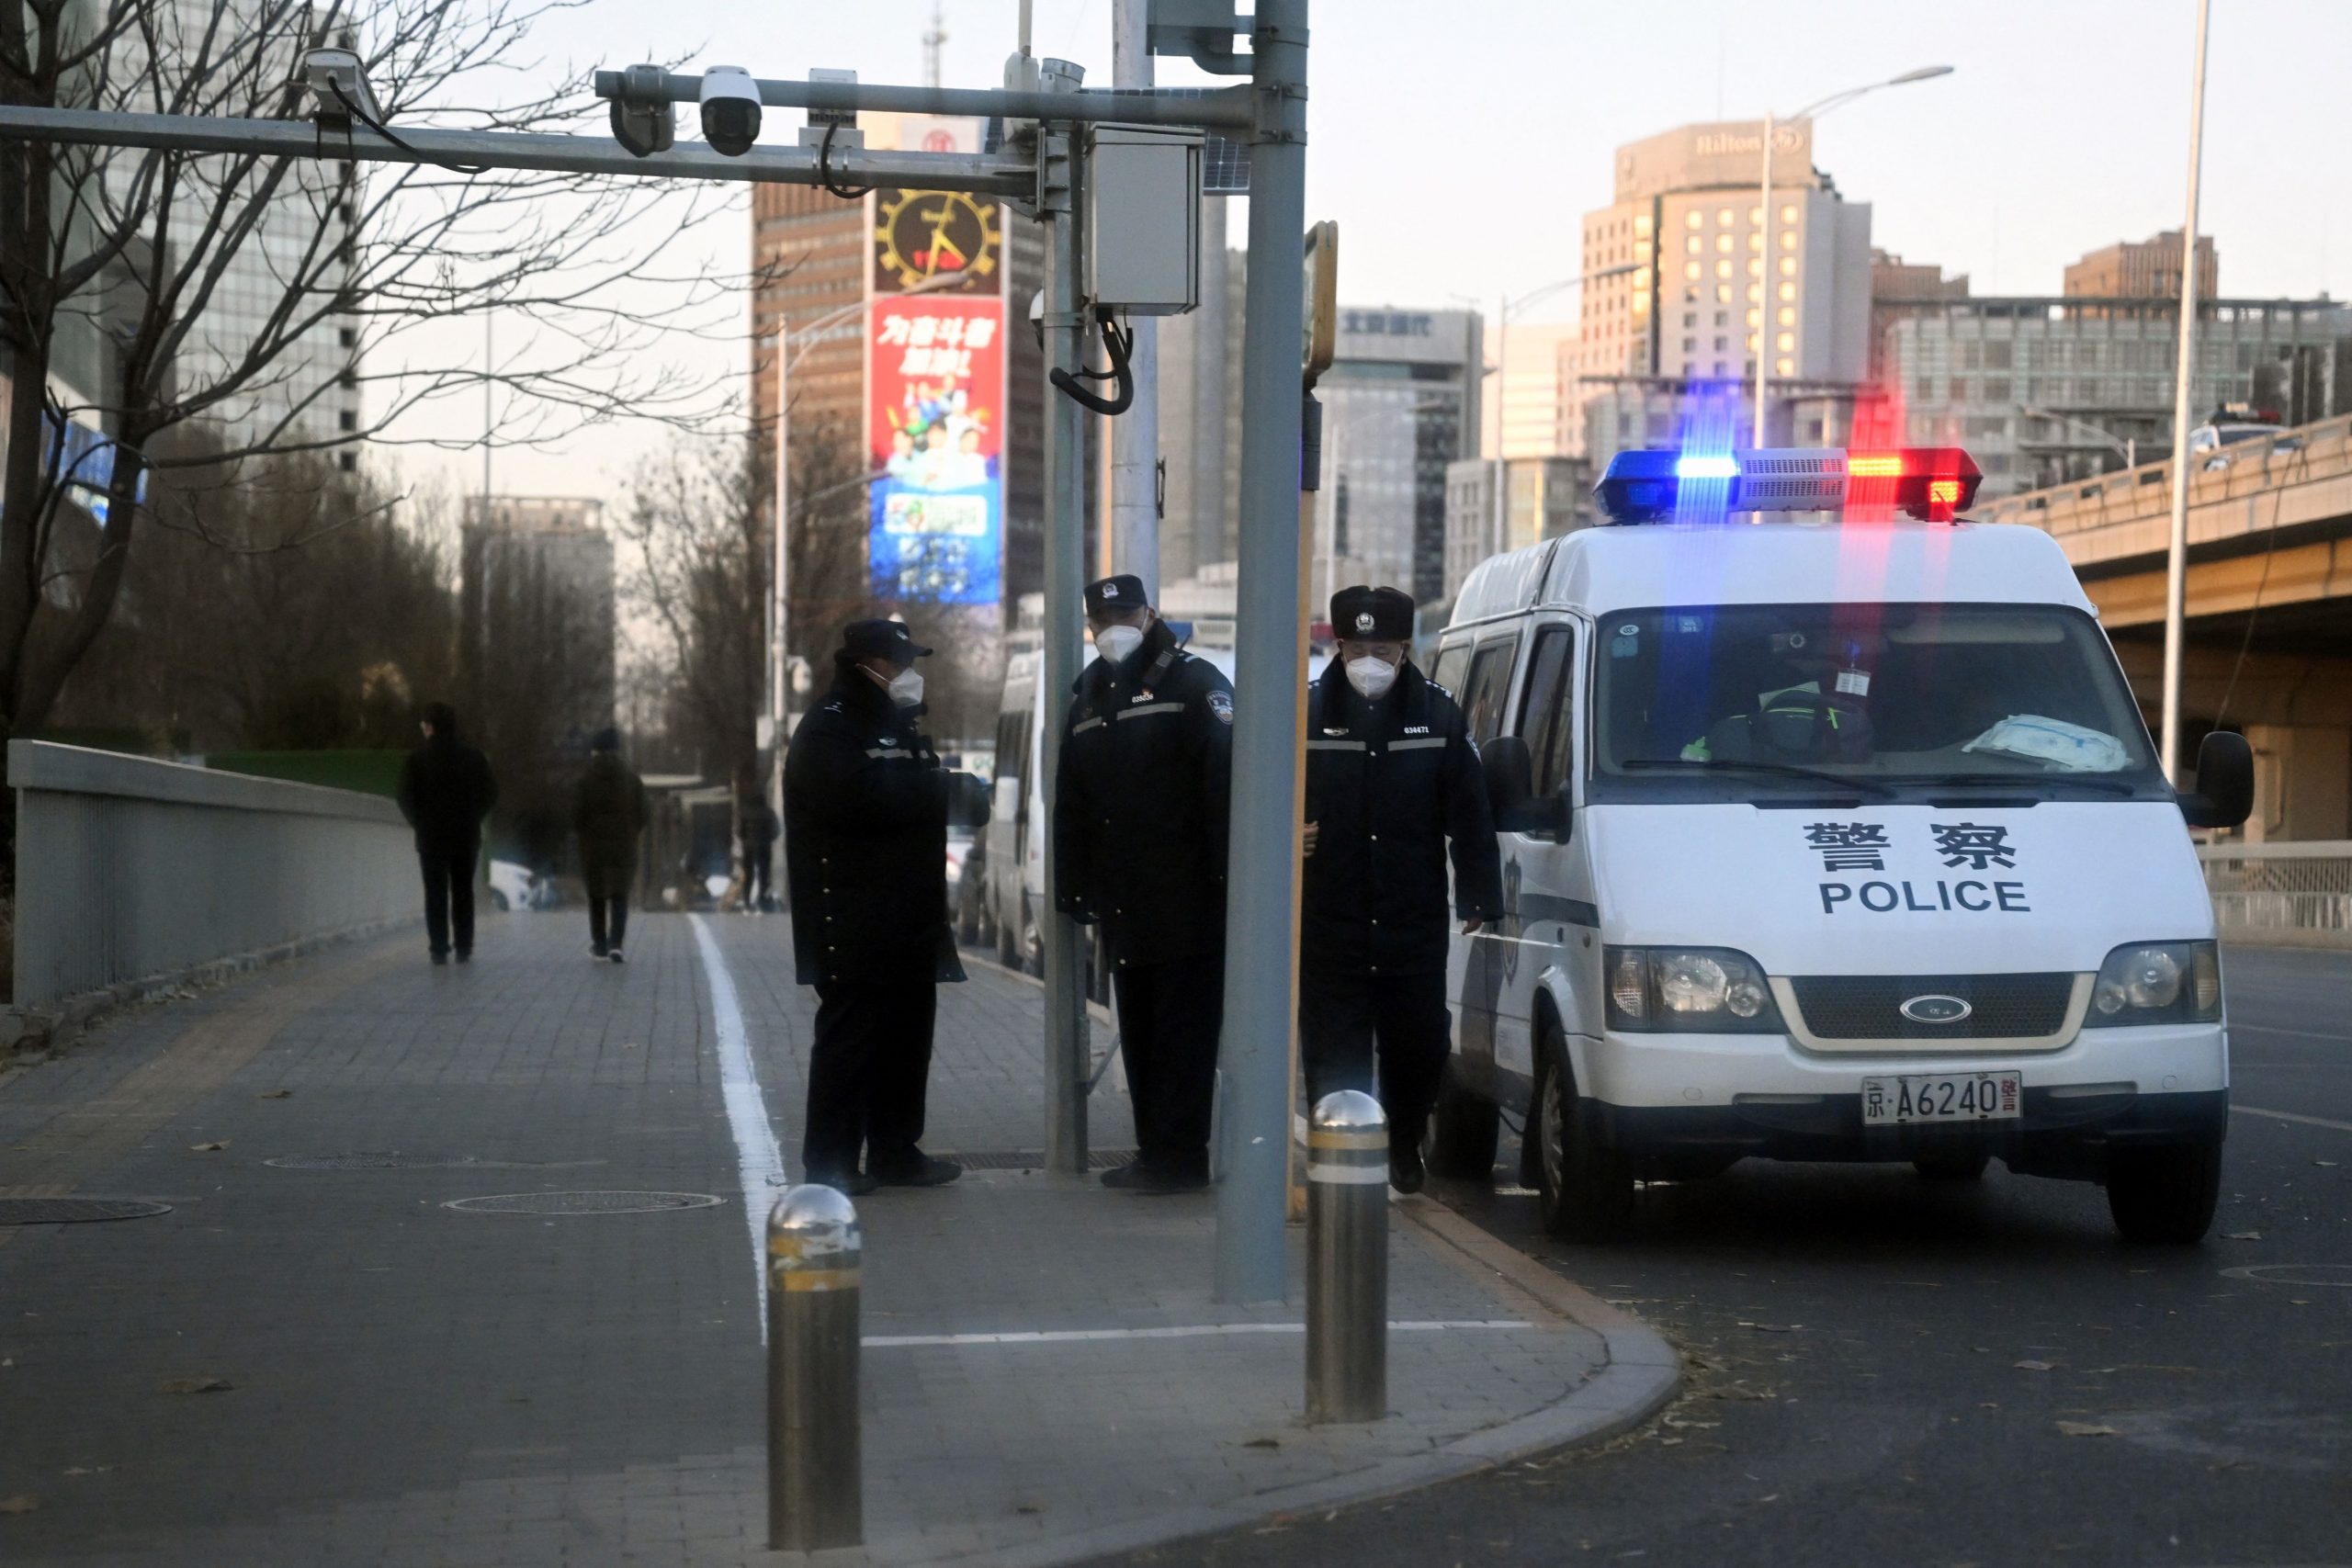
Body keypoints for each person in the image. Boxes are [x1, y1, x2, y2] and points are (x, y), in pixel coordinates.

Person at [1301, 585, 1503, 1193]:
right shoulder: (1306, 713)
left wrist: (1479, 893)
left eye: (1382, 650)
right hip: (1330, 919)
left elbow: (1470, 811)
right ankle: (1339, 1155)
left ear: (1405, 649)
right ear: (1339, 647)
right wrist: (1287, 834)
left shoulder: (1438, 716)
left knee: (1418, 1045)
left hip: (1410, 918)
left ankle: (1404, 1138)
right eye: (1356, 649)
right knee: (1333, 1050)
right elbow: (1264, 793)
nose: (1369, 662)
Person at [786, 618, 989, 1196]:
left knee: (906, 1038)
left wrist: (952, 791)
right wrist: (942, 789)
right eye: (901, 664)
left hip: (909, 914)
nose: (910, 675)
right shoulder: (830, 728)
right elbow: (857, 799)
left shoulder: (900, 725)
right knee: (850, 1042)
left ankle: (896, 1151)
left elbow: (930, 795)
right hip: (851, 915)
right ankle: (830, 1162)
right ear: (868, 665)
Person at [1054, 573, 1235, 1194]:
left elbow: (1224, 788)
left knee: (1184, 1033)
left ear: (1151, 614)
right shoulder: (1088, 697)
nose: (1114, 630)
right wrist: (1073, 884)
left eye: (1126, 617)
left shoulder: (1195, 684)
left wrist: (1224, 882)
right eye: (1102, 621)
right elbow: (1072, 803)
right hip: (1124, 900)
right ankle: (1154, 1150)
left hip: (1190, 898)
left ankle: (1181, 1156)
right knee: (1140, 1029)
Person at [395, 702, 498, 965]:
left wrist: (420, 822)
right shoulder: (474, 758)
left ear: (430, 727)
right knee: (463, 892)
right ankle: (464, 946)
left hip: (431, 838)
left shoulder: (417, 760)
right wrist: (473, 816)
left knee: (435, 893)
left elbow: (405, 797)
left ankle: (439, 948)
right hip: (465, 836)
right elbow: (491, 793)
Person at [573, 728, 648, 963]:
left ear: (597, 750)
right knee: (619, 894)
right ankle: (616, 943)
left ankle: (600, 945)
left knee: (596, 896)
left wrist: (585, 834)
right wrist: (631, 832)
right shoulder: (632, 780)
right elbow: (644, 814)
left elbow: (576, 815)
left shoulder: (585, 780)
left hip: (593, 847)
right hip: (624, 847)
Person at [738, 783, 779, 914]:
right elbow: (775, 830)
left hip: (748, 847)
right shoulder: (768, 812)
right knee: (764, 875)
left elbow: (739, 831)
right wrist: (769, 839)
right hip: (764, 846)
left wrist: (745, 840)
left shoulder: (745, 812)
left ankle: (747, 902)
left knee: (748, 875)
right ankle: (762, 900)